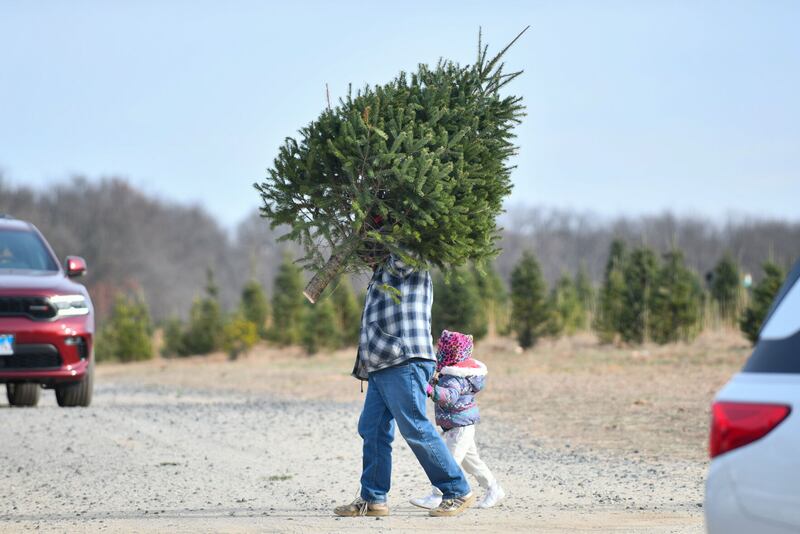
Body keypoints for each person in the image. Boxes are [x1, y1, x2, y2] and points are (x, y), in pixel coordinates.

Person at [333, 253, 475, 518]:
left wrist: (379, 225)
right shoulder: (381, 269)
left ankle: (457, 490)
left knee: (415, 427)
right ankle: (373, 498)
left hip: (405, 357)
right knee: (372, 428)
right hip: (383, 361)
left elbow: (403, 250)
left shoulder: (408, 255)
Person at [410, 330, 505, 509]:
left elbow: (449, 397)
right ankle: (494, 488)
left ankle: (438, 496)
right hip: (458, 425)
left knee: (447, 461)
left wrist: (429, 388)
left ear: (451, 353)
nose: (439, 352)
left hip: (459, 428)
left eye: (442, 350)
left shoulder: (456, 378)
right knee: (472, 463)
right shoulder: (454, 374)